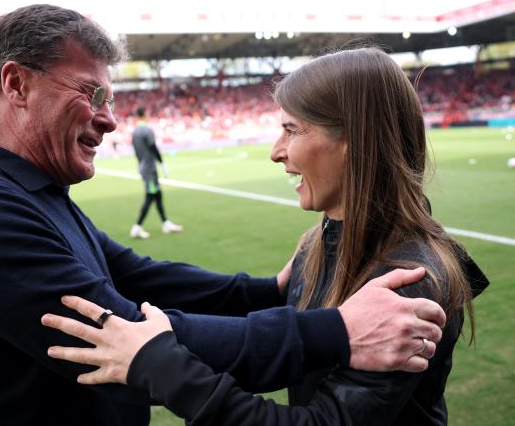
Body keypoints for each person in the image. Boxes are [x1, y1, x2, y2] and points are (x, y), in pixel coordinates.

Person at [0, 5, 447, 426]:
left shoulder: (24, 191)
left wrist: (264, 291)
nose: (111, 120)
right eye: (92, 93)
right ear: (16, 84)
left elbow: (139, 277)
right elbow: (120, 332)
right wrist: (336, 331)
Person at [41, 47, 490, 425]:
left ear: (354, 139)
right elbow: (273, 350)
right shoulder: (316, 242)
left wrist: (162, 366)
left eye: (292, 130)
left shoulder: (409, 281)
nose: (277, 152)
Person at [130, 106, 183, 238]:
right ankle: (137, 226)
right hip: (149, 169)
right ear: (145, 114)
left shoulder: (135, 132)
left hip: (144, 167)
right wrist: (162, 162)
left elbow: (136, 152)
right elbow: (153, 147)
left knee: (158, 195)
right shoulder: (147, 130)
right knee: (151, 196)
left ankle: (165, 223)